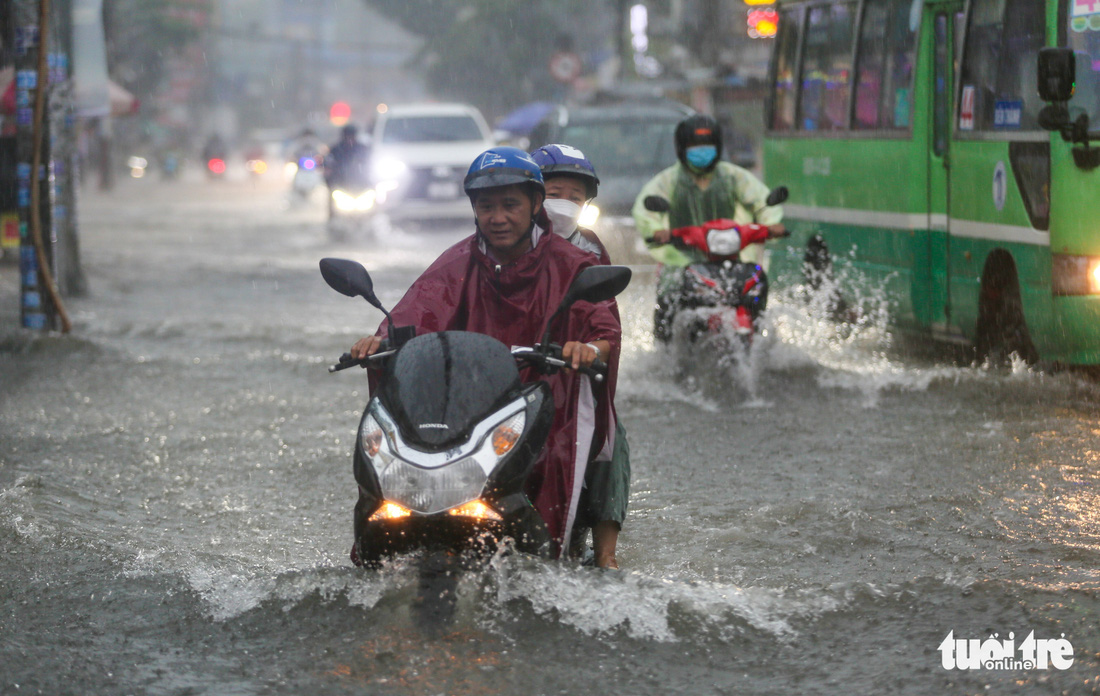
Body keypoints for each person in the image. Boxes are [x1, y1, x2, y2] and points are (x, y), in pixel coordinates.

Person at [348, 146, 622, 560]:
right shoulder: (456, 261)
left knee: (604, 451)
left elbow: (604, 328)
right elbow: (417, 311)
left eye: (510, 205)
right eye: (486, 206)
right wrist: (380, 341)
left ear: (535, 204)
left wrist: (585, 349)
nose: (498, 217)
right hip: (471, 406)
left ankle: (590, 558)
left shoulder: (572, 263)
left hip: (544, 400)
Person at [530, 143, 630, 569]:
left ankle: (607, 556)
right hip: (504, 373)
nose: (564, 204)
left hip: (570, 373)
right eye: (555, 193)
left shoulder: (588, 250)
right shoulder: (494, 245)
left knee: (611, 439)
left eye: (575, 196)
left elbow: (605, 318)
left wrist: (590, 349)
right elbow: (438, 301)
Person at [631, 114, 784, 341]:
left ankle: (758, 335)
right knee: (669, 294)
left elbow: (761, 199)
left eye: (707, 146)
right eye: (694, 146)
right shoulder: (669, 180)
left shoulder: (732, 176)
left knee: (756, 285)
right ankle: (665, 350)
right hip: (681, 258)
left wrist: (771, 223)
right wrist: (655, 230)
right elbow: (646, 209)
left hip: (730, 255)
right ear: (682, 148)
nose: (702, 151)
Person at [323, 124, 371, 217]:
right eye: (348, 136)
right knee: (334, 208)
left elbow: (371, 166)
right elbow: (327, 167)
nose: (350, 139)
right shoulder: (335, 150)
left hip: (361, 186)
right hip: (340, 185)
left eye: (352, 136)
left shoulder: (363, 149)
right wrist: (330, 182)